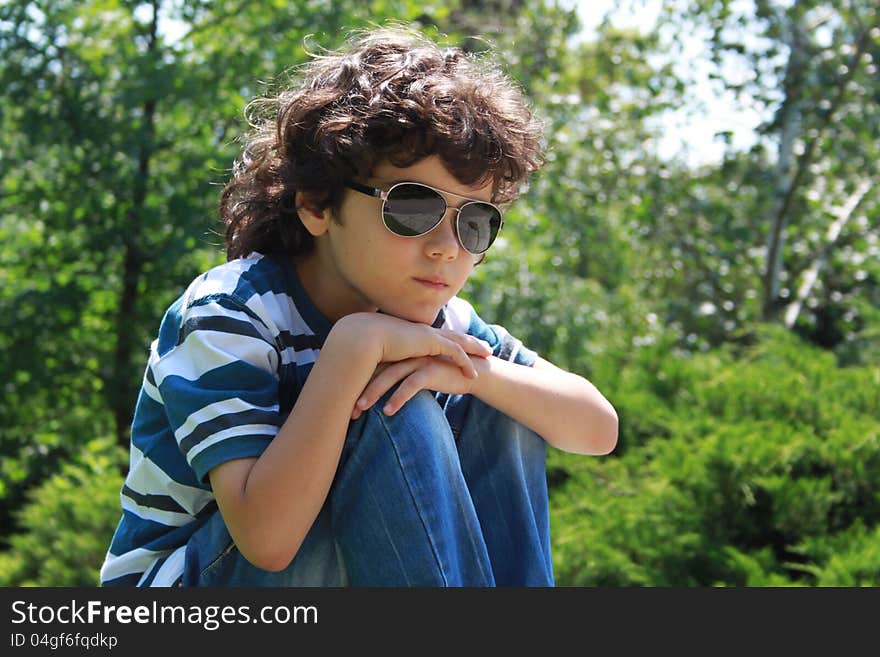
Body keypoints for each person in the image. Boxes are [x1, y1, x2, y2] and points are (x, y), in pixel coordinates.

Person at [100, 26, 618, 588]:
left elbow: (597, 428)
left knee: (495, 394)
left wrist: (480, 377)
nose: (447, 245)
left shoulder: (441, 324)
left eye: (475, 222)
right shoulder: (230, 313)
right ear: (318, 205)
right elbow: (268, 542)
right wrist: (353, 348)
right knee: (393, 403)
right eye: (414, 207)